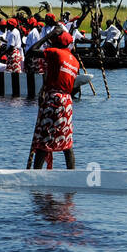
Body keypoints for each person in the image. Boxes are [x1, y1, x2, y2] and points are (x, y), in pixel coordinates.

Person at [29, 30, 79, 170]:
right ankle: (72, 174)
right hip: (67, 101)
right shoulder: (74, 61)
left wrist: (47, 36)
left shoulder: (56, 53)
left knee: (43, 141)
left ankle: (36, 175)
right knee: (66, 141)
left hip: (54, 99)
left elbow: (32, 51)